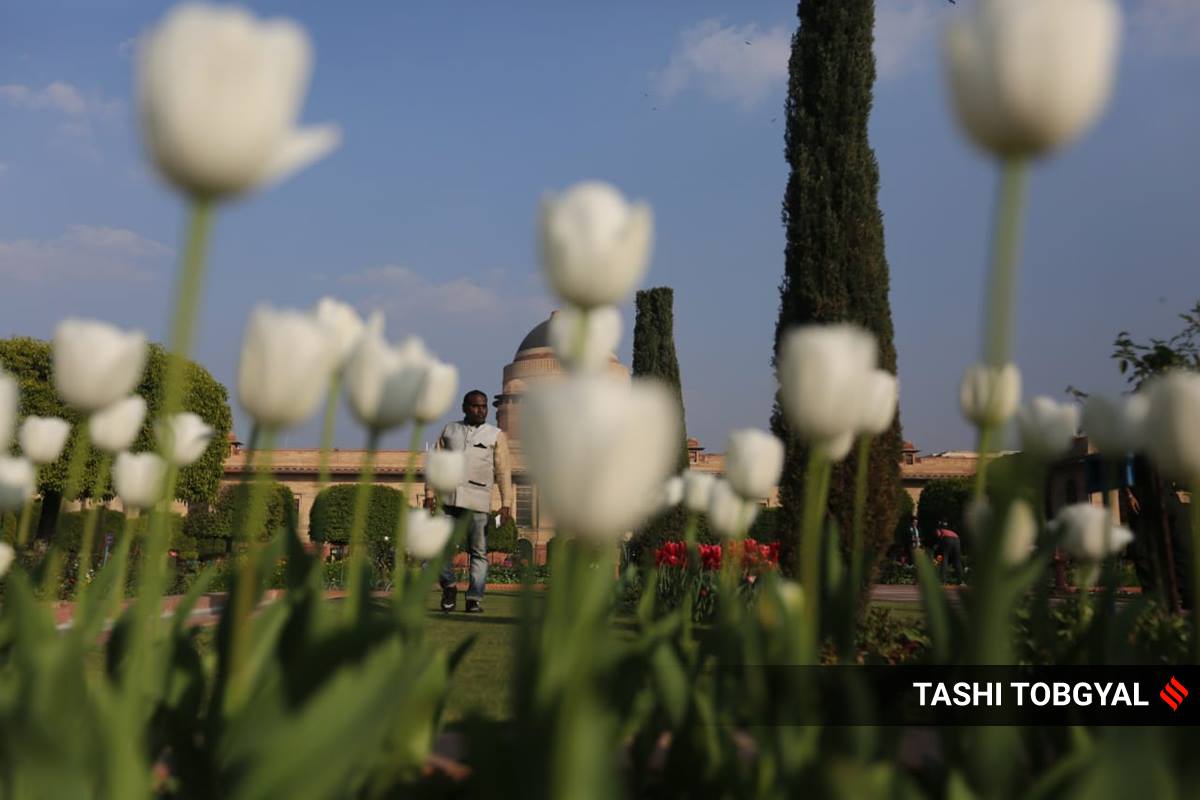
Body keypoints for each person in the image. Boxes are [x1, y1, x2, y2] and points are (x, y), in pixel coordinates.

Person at [425, 389, 514, 613]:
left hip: (478, 501)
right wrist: (428, 494)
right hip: (449, 499)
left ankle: (474, 598)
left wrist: (506, 504)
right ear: (464, 407)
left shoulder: (495, 435)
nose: (480, 410)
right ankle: (450, 586)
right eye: (475, 406)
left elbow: (503, 472)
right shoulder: (450, 430)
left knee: (479, 553)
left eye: (484, 406)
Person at [935, 519, 964, 585]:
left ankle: (943, 581)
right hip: (957, 539)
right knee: (957, 560)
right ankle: (960, 581)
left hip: (947, 539)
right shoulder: (950, 530)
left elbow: (939, 537)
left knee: (945, 558)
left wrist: (938, 547)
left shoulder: (938, 529)